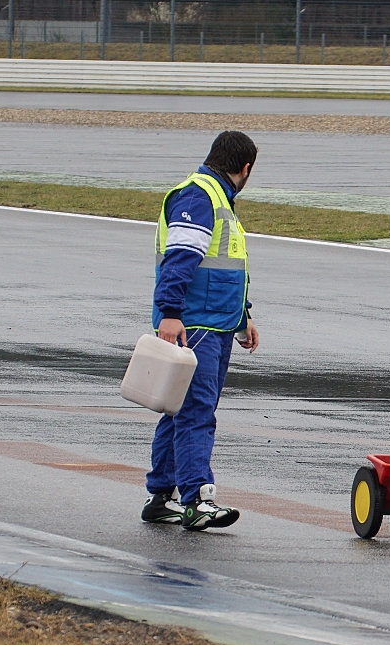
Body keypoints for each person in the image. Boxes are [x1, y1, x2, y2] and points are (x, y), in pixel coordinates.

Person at [141, 131, 260, 532]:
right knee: (196, 412)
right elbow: (180, 258)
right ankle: (196, 499)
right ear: (245, 168)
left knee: (178, 409)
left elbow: (224, 266)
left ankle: (161, 496)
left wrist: (243, 317)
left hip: (215, 322)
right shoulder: (200, 196)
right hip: (196, 324)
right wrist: (170, 313)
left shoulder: (213, 198)